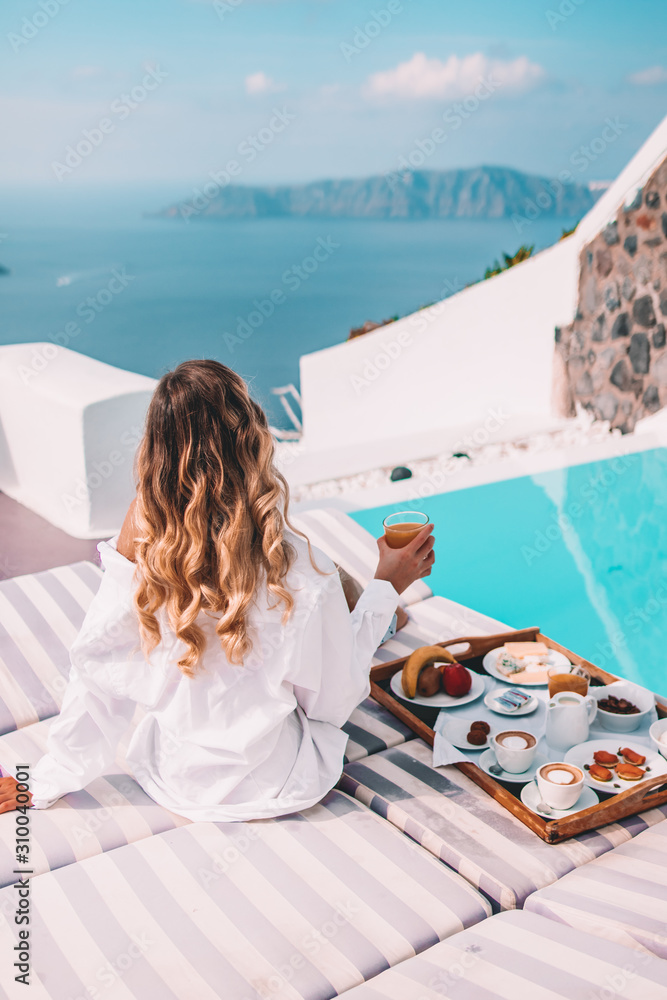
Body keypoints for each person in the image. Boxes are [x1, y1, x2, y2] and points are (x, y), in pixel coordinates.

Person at [0, 361, 434, 819]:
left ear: (157, 451)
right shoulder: (303, 568)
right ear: (253, 440)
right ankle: (383, 616)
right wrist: (388, 586)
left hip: (174, 777)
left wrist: (50, 778)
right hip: (277, 782)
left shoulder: (144, 531)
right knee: (343, 608)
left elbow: (98, 664)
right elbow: (331, 703)